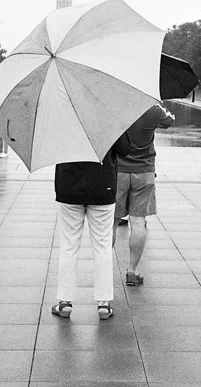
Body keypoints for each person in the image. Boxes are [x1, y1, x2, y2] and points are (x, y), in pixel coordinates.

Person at [51, 133, 131, 321]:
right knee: (102, 247)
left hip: (68, 186)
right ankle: (104, 303)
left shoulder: (63, 115)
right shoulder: (107, 115)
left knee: (69, 246)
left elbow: (52, 147)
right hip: (102, 185)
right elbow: (125, 149)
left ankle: (65, 302)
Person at [113, 103, 175, 288]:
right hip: (144, 171)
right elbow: (170, 120)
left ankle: (104, 267)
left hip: (118, 171)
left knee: (112, 221)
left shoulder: (115, 107)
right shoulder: (151, 108)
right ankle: (132, 271)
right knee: (138, 221)